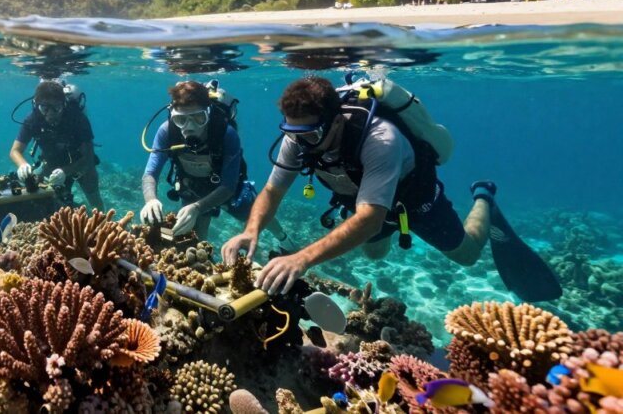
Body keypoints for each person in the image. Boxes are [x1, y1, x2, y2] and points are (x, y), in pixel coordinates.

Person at [222, 76, 559, 300]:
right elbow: (271, 191)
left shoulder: (381, 139)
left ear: (336, 121)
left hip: (415, 197)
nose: (299, 143)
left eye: (309, 135)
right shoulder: (299, 135)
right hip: (365, 197)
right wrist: (251, 231)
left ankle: (484, 196)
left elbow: (369, 218)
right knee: (374, 251)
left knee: (466, 255)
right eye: (291, 133)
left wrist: (303, 258)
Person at [141, 81, 280, 240]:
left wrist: (197, 207)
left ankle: (283, 239)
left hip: (227, 187)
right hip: (192, 186)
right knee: (193, 239)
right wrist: (151, 200)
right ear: (172, 116)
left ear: (208, 113)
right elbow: (150, 173)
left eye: (198, 118)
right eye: (181, 120)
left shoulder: (226, 134)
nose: (189, 127)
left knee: (256, 215)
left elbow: (228, 186)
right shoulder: (167, 131)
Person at [10, 80, 103, 209]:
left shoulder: (77, 118)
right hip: (52, 163)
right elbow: (15, 151)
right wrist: (22, 164)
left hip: (80, 162)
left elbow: (88, 157)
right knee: (50, 199)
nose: (50, 114)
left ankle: (103, 221)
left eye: (56, 108)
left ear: (64, 105)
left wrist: (66, 171)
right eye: (45, 108)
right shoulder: (33, 119)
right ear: (37, 105)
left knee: (93, 195)